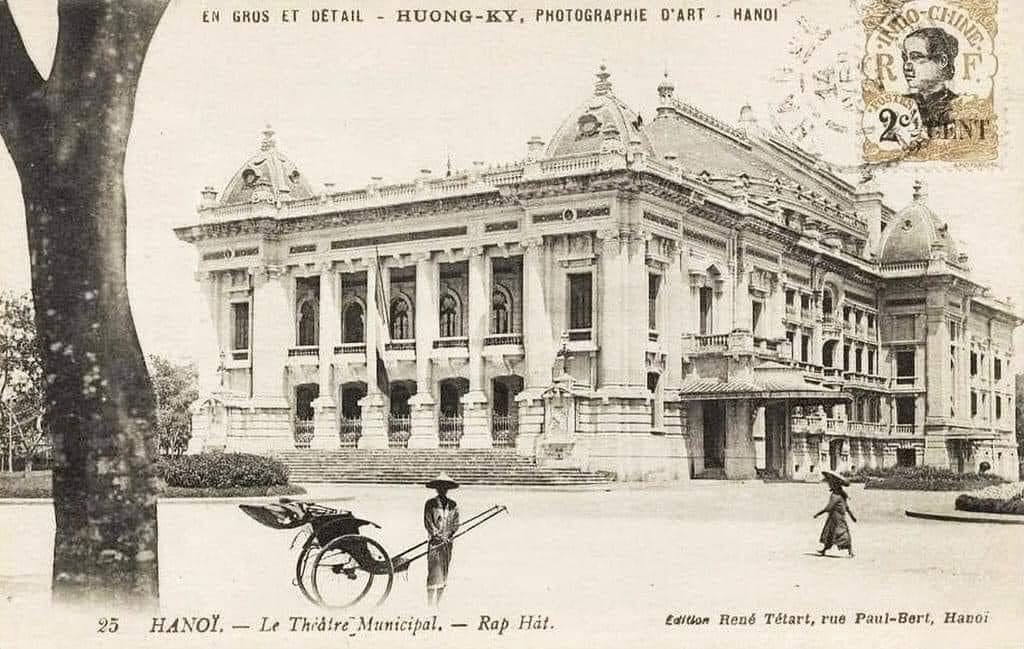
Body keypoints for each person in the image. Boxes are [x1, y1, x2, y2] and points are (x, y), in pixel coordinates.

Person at [901, 27, 960, 128]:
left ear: (942, 61)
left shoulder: (959, 106)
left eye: (916, 57)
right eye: (905, 58)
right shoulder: (901, 105)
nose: (906, 66)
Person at [424, 472, 460, 606]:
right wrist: (437, 536)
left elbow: (455, 524)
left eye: (445, 487)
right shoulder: (430, 504)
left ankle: (438, 603)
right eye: (440, 487)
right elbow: (428, 522)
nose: (442, 490)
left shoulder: (453, 505)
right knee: (433, 572)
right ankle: (429, 603)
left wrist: (448, 535)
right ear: (437, 489)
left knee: (444, 571)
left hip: (447, 544)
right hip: (434, 544)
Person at [814, 469, 857, 557]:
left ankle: (850, 551)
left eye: (830, 483)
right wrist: (852, 517)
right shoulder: (841, 495)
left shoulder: (835, 496)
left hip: (836, 518)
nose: (829, 485)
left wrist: (818, 514)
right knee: (832, 533)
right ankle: (825, 550)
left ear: (834, 485)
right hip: (837, 518)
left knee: (839, 533)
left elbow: (828, 508)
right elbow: (847, 507)